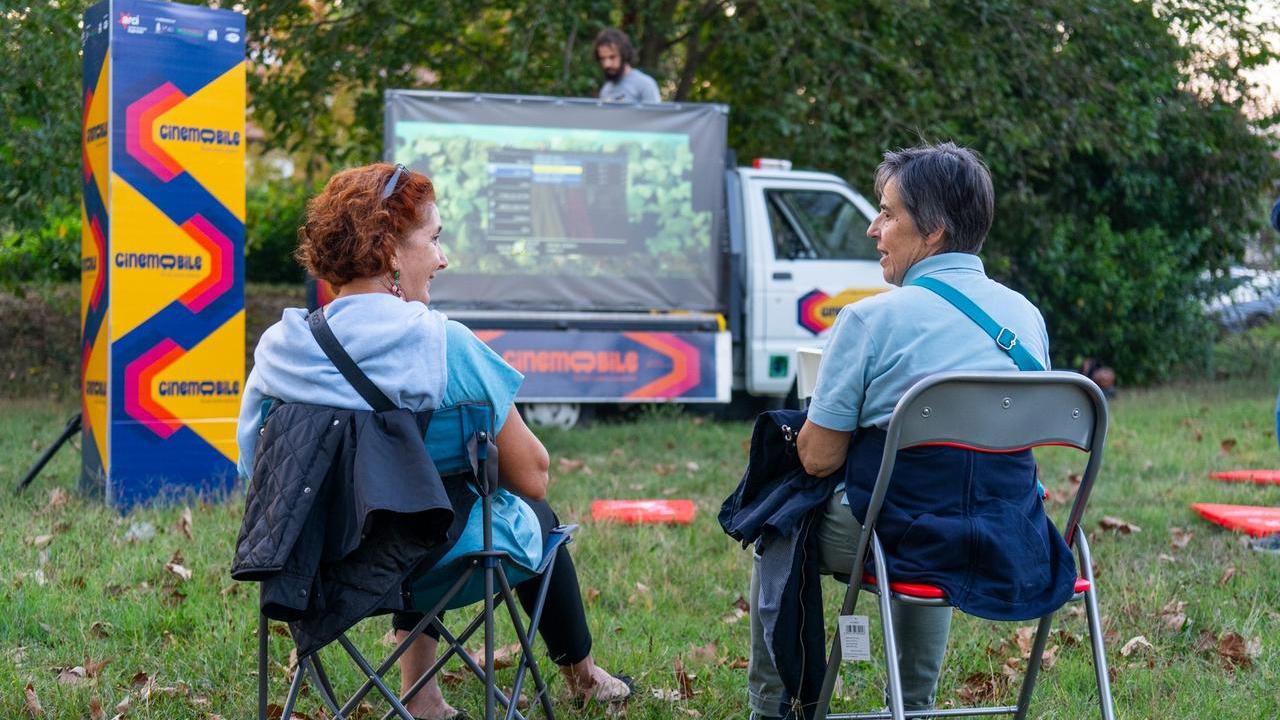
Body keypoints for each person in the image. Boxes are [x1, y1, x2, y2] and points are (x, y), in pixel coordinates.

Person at [237, 163, 631, 719]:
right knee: (486, 512)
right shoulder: (445, 346)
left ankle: (423, 695)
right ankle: (584, 678)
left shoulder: (280, 348)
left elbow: (256, 469)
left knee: (418, 501)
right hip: (429, 563)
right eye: (434, 239)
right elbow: (533, 475)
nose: (442, 259)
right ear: (390, 251)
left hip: (312, 561)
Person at [743, 143, 1075, 719]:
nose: (873, 229)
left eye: (887, 213)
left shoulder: (870, 320)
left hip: (899, 538)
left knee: (782, 524)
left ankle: (775, 709)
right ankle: (914, 707)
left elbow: (819, 459)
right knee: (933, 501)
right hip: (1013, 535)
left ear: (933, 231)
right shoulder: (1026, 317)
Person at [594, 27, 661, 104]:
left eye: (612, 57)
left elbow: (655, 112)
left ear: (624, 55)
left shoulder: (645, 84)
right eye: (602, 59)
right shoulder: (606, 90)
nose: (607, 64)